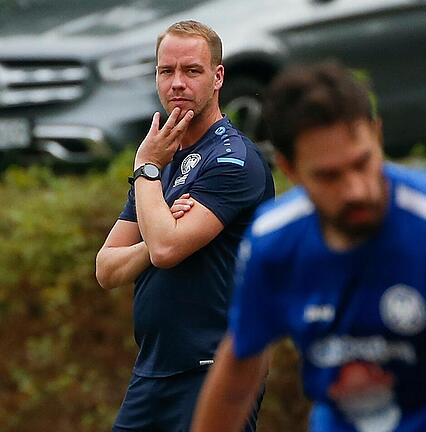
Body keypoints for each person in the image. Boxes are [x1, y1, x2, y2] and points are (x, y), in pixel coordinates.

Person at [190, 62, 426, 432]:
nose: (355, 190)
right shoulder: (273, 243)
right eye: (329, 176)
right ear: (290, 169)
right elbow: (238, 373)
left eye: (362, 163)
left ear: (377, 136)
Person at [94, 20, 274, 431]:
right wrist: (152, 183)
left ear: (218, 76)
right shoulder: (161, 162)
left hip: (213, 370)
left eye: (191, 71)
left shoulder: (235, 159)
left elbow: (167, 250)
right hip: (152, 370)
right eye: (166, 71)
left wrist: (147, 174)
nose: (177, 83)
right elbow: (106, 268)